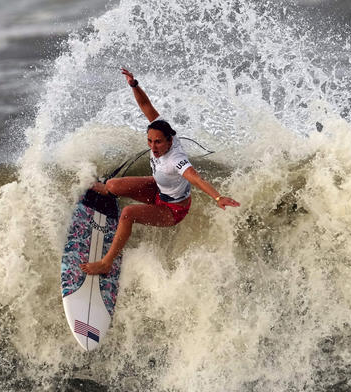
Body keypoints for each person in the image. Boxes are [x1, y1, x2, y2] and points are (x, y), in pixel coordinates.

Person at [81, 68, 240, 275]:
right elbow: (145, 105)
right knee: (112, 185)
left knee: (128, 213)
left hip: (172, 210)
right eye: (149, 141)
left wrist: (218, 197)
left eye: (158, 142)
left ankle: (106, 263)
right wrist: (134, 84)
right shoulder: (161, 127)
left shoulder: (176, 160)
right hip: (158, 188)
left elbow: (195, 177)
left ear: (169, 140)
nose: (153, 147)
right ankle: (105, 190)